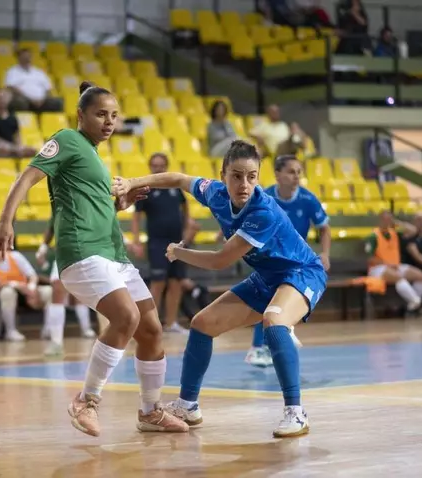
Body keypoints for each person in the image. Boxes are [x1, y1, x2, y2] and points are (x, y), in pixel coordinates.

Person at [0, 81, 189, 437]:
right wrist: (6, 220)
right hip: (82, 251)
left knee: (151, 330)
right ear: (80, 115)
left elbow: (92, 205)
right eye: (101, 114)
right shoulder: (67, 139)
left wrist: (120, 205)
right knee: (126, 317)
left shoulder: (93, 155)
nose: (109, 122)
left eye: (114, 115)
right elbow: (26, 177)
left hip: (114, 253)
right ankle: (86, 400)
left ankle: (150, 412)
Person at [112, 139, 325, 438]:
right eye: (236, 176)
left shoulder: (263, 212)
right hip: (267, 277)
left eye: (251, 176)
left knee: (274, 322)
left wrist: (178, 252)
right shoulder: (214, 192)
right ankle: (187, 405)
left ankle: (296, 412)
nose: (244, 184)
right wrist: (133, 182)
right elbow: (178, 179)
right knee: (202, 324)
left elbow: (220, 261)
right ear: (223, 175)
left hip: (303, 273)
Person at [245, 154, 331, 367]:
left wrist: (325, 253)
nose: (296, 176)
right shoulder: (265, 197)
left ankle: (275, 337)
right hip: (270, 257)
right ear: (277, 174)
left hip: (297, 260)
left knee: (283, 300)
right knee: (270, 300)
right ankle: (262, 346)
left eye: (299, 172)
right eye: (291, 172)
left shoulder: (308, 199)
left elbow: (324, 228)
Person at [130, 153, 192, 335]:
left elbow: (185, 207)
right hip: (157, 243)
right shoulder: (145, 189)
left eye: (161, 165)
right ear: (150, 167)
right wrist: (136, 240)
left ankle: (171, 323)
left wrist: (187, 228)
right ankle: (151, 324)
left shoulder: (175, 188)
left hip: (177, 243)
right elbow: (136, 216)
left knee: (176, 282)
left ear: (166, 166)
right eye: (155, 165)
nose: (158, 169)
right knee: (158, 282)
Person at [35, 214, 98, 357]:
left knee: (97, 294)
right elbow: (52, 225)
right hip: (64, 250)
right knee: (57, 292)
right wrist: (43, 248)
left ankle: (94, 332)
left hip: (90, 249)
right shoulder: (59, 204)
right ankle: (56, 342)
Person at [0, 238, 52, 342]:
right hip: (2, 296)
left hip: (25, 292)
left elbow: (32, 275)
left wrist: (32, 288)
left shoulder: (15, 256)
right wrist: (16, 285)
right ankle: (11, 331)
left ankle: (48, 329)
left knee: (49, 291)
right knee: (7, 292)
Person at [365, 211, 422, 314]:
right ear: (380, 220)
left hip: (395, 266)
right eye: (385, 219)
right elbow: (370, 259)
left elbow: (413, 230)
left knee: (420, 276)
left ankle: (413, 305)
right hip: (378, 268)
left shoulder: (394, 234)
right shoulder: (373, 236)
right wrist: (386, 263)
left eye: (389, 219)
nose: (387, 222)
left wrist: (397, 223)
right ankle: (415, 300)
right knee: (398, 277)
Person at [0, 88, 38, 158]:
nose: (2, 100)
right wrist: (5, 144)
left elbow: (17, 136)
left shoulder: (13, 118)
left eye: (4, 97)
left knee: (32, 151)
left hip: (11, 147)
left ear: (9, 99)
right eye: (0, 97)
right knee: (3, 150)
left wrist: (19, 147)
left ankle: (16, 153)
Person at [4, 49, 63, 113]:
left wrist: (43, 99)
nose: (27, 59)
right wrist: (30, 99)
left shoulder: (39, 72)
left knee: (58, 102)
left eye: (28, 56)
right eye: (24, 57)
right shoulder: (12, 71)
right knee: (19, 103)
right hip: (24, 100)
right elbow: (11, 88)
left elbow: (47, 89)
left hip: (41, 101)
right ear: (19, 58)